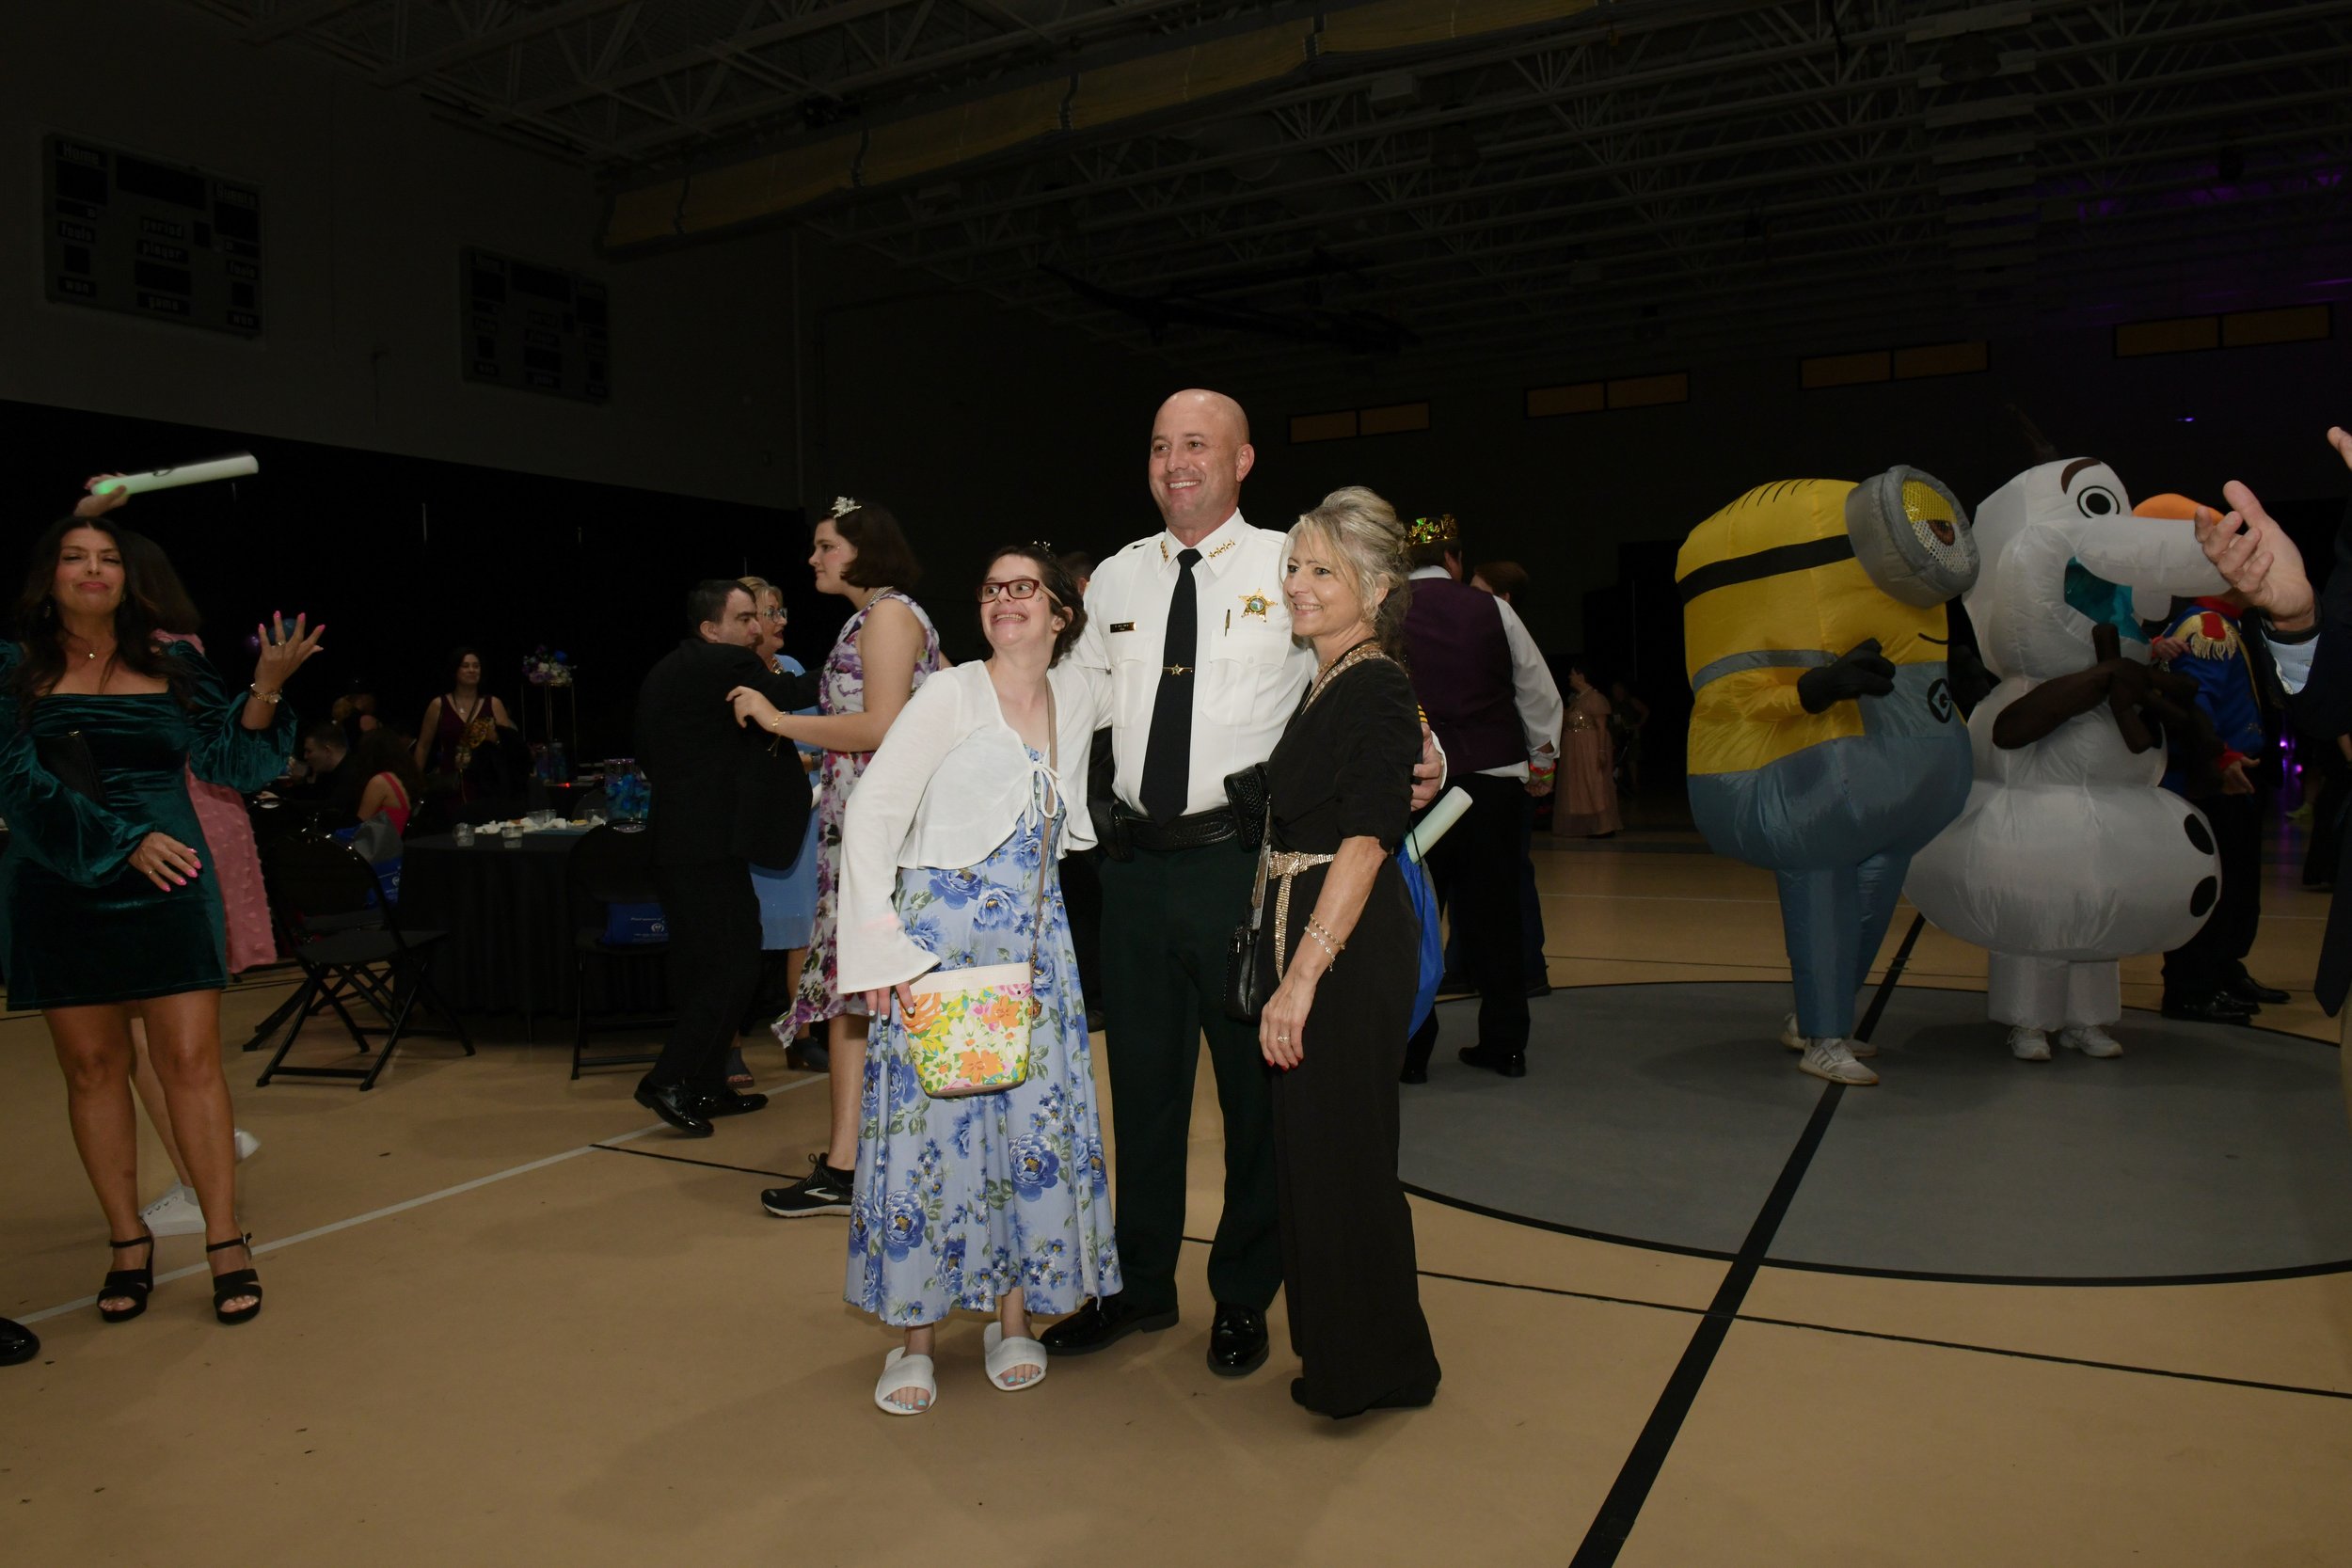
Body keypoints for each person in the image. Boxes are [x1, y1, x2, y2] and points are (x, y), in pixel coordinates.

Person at [1042, 389, 1443, 1377]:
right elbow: (1072, 701)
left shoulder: (1290, 562)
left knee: (1258, 1098)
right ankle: (1140, 1284)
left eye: (1197, 444)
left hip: (1245, 868)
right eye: (1159, 445)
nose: (1176, 461)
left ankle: (1242, 1291)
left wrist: (1427, 748)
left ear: (1242, 460)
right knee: (1140, 1090)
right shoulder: (1118, 576)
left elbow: (1365, 672)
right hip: (1133, 871)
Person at [1, 486, 312, 1326]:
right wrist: (122, 838)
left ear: (129, 577)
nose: (93, 569)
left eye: (108, 558)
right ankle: (127, 1240)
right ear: (48, 575)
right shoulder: (13, 666)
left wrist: (266, 687)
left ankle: (225, 1239)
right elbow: (17, 784)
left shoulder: (171, 661)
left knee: (189, 1061)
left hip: (170, 879)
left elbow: (231, 761)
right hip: (60, 878)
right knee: (93, 1069)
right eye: (75, 556)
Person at [827, 546, 1118, 1414]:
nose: (1004, 599)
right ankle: (915, 1338)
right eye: (992, 588)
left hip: (1034, 952)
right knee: (930, 1141)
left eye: (1025, 587)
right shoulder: (949, 694)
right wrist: (882, 951)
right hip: (938, 950)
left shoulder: (1079, 694)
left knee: (1025, 1135)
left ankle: (1012, 1318)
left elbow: (1156, 657)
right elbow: (872, 812)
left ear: (1061, 612)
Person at [1256, 487, 1440, 1417]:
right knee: (1326, 1157)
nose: (1297, 582)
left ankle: (1371, 1367)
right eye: (1293, 564)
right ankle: (1365, 1358)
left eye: (1321, 569)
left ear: (1374, 589)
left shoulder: (1374, 684)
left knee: (1344, 1159)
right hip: (1320, 934)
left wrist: (1301, 976)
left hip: (1343, 949)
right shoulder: (1330, 676)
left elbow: (1367, 838)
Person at [732, 502, 941, 1211]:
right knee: (854, 992)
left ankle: (874, 1162)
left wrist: (778, 720)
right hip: (859, 825)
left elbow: (881, 724)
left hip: (883, 829)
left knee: (877, 988)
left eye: (826, 546)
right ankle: (848, 1164)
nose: (814, 559)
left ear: (862, 550)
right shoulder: (877, 617)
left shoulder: (890, 616)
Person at [628, 580, 819, 1136]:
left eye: (757, 617)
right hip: (701, 847)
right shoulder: (719, 663)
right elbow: (789, 693)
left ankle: (705, 1084)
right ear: (711, 629)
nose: (756, 628)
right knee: (731, 965)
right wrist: (860, 662)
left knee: (720, 965)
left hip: (690, 843)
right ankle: (667, 1080)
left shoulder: (673, 669)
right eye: (744, 619)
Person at [1401, 515, 1561, 1083]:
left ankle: (1411, 1053)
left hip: (1416, 786)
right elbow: (1537, 692)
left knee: (1413, 920)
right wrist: (1542, 763)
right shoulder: (1493, 609)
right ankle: (1505, 1044)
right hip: (1492, 785)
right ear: (1454, 560)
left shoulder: (1383, 612)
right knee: (1497, 916)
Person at [738, 576, 822, 1080]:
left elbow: (817, 740)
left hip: (800, 819)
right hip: (749, 823)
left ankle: (800, 1037)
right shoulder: (729, 674)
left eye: (780, 610)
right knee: (739, 937)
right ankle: (728, 1048)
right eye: (770, 612)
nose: (780, 621)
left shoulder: (790, 670)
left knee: (803, 934)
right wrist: (800, 761)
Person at [412, 648, 516, 802]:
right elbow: (423, 746)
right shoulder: (438, 705)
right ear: (455, 670)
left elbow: (510, 745)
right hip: (450, 782)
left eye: (476, 666)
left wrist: (494, 738)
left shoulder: (494, 703)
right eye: (465, 666)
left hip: (487, 784)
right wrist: (414, 782)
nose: (472, 670)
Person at [1554, 658, 1623, 837]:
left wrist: (1601, 751)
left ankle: (1604, 826)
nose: (1569, 677)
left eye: (1572, 674)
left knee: (1594, 783)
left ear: (1581, 676)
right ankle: (1588, 825)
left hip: (1589, 747)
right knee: (1579, 786)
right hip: (1576, 748)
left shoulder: (1595, 698)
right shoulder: (1577, 699)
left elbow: (1601, 727)